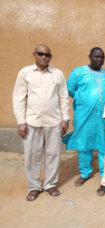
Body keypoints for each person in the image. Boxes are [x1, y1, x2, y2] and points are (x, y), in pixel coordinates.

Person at [12, 44, 69, 201]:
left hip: (54, 121)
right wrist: (21, 122)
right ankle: (34, 187)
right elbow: (18, 98)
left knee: (53, 155)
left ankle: (50, 184)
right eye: (41, 54)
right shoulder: (25, 73)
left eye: (47, 55)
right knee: (33, 156)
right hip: (32, 121)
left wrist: (65, 118)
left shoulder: (57, 74)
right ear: (34, 55)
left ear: (51, 57)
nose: (44, 57)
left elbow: (63, 97)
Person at [64, 47, 105, 187]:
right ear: (90, 56)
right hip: (84, 115)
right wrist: (81, 98)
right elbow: (69, 89)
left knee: (104, 144)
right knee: (83, 144)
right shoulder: (78, 72)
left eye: (102, 57)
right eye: (96, 56)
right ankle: (85, 172)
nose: (99, 59)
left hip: (103, 117)